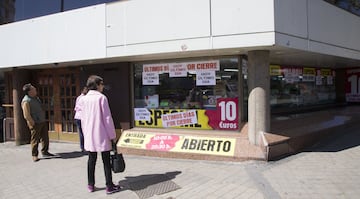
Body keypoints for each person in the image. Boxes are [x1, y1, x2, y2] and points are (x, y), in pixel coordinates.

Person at [80, 75, 120, 194]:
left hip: (89, 134)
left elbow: (82, 118)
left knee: (91, 160)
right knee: (106, 161)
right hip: (102, 134)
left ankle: (91, 185)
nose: (103, 86)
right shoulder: (101, 98)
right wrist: (112, 135)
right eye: (102, 84)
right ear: (97, 85)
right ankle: (109, 186)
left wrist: (85, 133)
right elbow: (107, 118)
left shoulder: (84, 99)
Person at [21, 83, 55, 162]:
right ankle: (34, 155)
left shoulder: (36, 98)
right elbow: (26, 114)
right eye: (33, 89)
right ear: (29, 91)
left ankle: (45, 151)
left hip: (42, 120)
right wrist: (32, 122)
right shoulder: (26, 101)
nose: (35, 90)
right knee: (35, 139)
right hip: (35, 122)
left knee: (45, 138)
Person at [74, 87, 88, 152]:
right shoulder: (85, 98)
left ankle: (82, 147)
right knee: (84, 132)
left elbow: (76, 108)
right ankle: (84, 147)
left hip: (77, 117)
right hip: (82, 117)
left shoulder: (79, 97)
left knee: (81, 132)